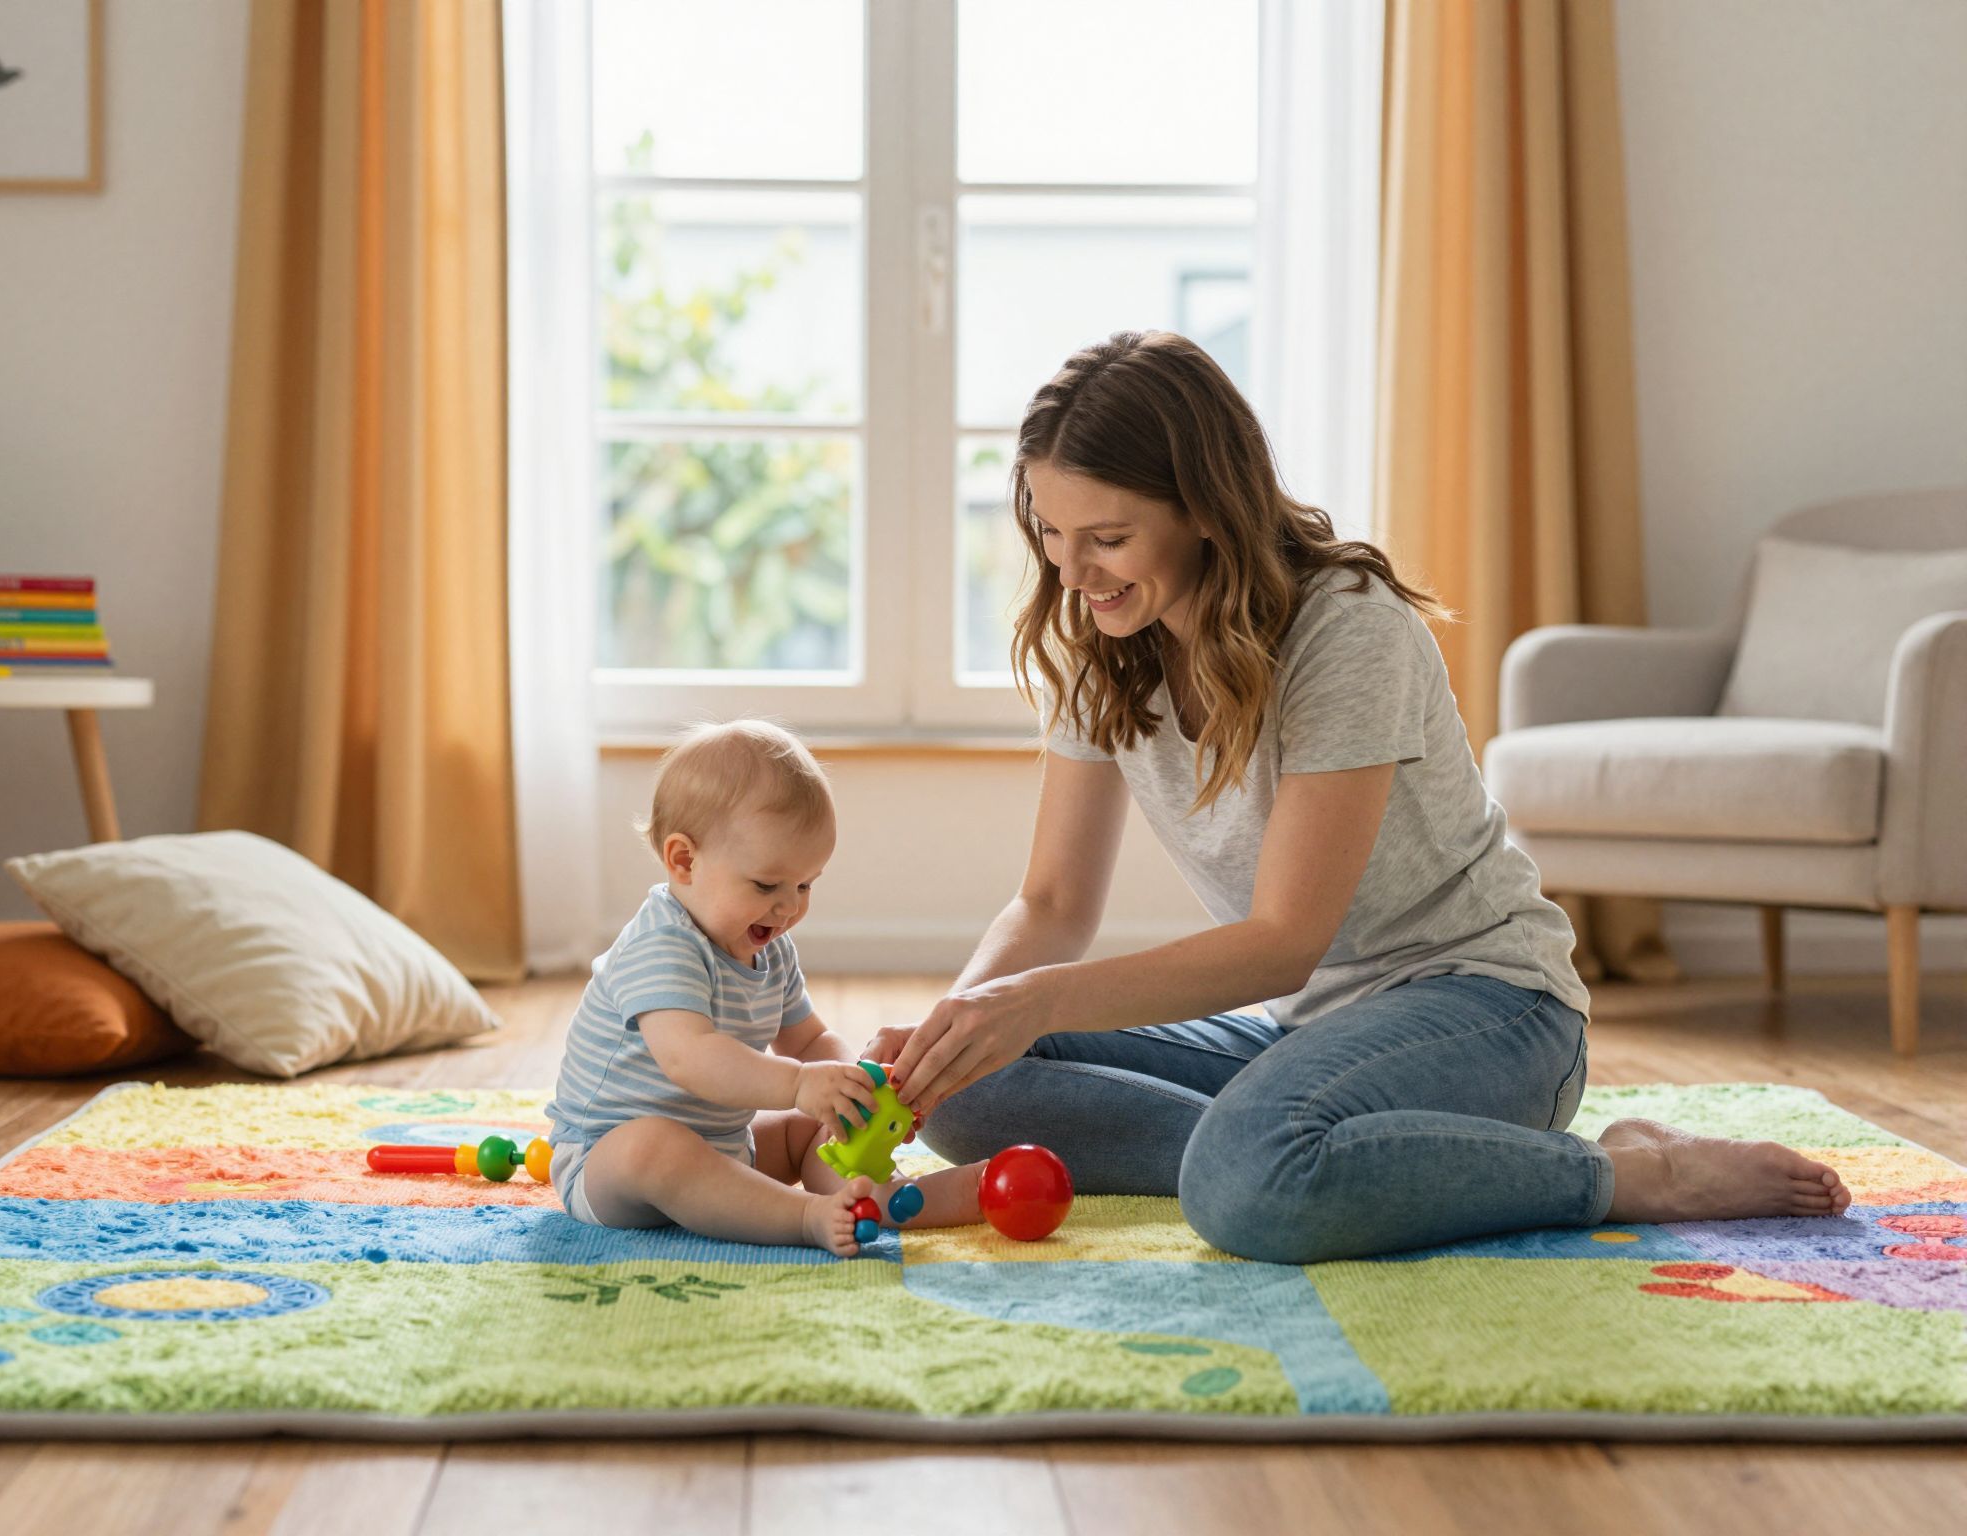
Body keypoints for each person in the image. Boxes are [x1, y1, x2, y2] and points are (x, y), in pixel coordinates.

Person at [868, 330, 1851, 1264]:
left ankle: (1628, 1174)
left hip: (1492, 1013)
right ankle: (1320, 1155)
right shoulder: (1109, 650)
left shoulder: (1344, 629)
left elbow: (1283, 938)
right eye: (1047, 532)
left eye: (1107, 537)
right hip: (1315, 1034)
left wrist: (1033, 1001)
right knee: (970, 1090)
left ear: (1204, 508)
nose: (1069, 572)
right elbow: (1049, 905)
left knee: (1240, 1184)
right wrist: (945, 1038)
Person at [545, 720, 983, 1256]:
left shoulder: (769, 949)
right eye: (766, 885)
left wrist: (853, 1091)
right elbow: (693, 1059)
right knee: (656, 1145)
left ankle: (887, 1201)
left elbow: (808, 1041)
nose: (789, 906)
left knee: (809, 1128)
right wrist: (800, 1084)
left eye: (805, 885)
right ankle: (804, 1218)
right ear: (684, 861)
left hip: (727, 1149)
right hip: (607, 1163)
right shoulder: (660, 945)